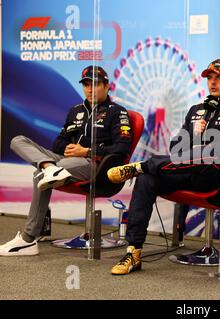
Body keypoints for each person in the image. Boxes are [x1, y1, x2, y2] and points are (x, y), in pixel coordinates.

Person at [106, 59, 220, 275]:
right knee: (147, 179)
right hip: (187, 171)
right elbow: (175, 148)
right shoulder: (196, 111)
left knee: (203, 158)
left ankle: (143, 165)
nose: (212, 82)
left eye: (219, 78)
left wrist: (215, 145)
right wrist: (195, 135)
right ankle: (133, 251)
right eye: (209, 78)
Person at [0, 66, 133, 256]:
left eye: (95, 84)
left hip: (95, 165)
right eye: (86, 85)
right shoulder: (75, 111)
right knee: (18, 140)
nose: (89, 89)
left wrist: (86, 150)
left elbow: (122, 148)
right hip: (66, 160)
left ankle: (28, 240)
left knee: (42, 174)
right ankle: (49, 167)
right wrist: (68, 150)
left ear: (107, 86)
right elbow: (58, 143)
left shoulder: (117, 112)